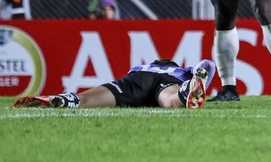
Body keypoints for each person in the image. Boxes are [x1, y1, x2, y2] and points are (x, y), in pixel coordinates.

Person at [14, 59, 214, 109]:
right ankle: (186, 92)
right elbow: (208, 65)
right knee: (170, 99)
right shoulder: (177, 70)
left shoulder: (141, 66)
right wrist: (197, 75)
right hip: (168, 82)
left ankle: (64, 99)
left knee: (88, 99)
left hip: (135, 80)